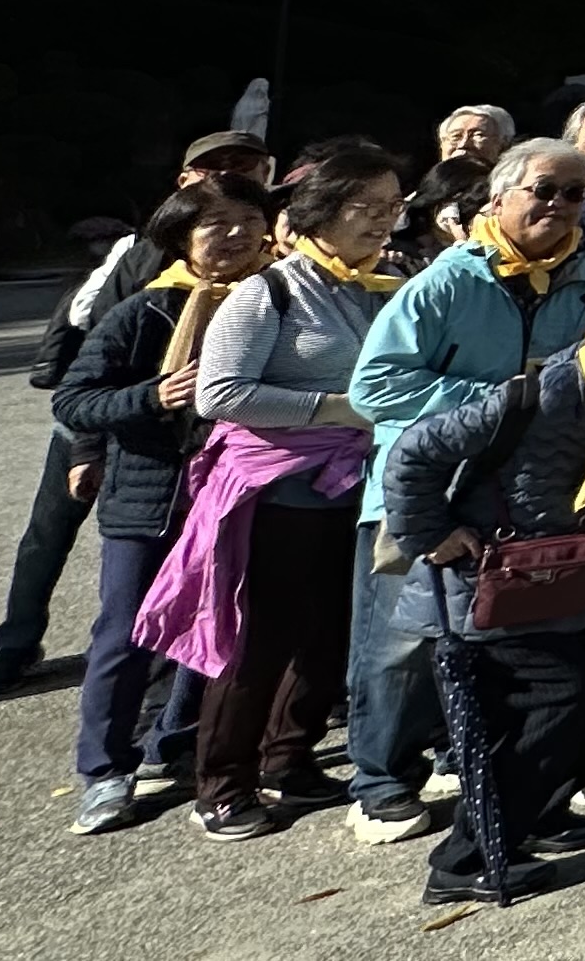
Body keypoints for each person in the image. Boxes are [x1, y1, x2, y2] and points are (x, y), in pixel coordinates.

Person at [387, 292, 585, 907]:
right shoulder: (541, 395)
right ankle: (467, 859)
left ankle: (539, 813)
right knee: (561, 695)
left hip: (578, 589)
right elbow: (415, 452)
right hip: (488, 593)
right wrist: (431, 535)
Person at [345, 138, 585, 845]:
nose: (558, 205)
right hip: (423, 491)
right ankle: (379, 780)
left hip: (527, 499)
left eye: (575, 193)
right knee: (398, 646)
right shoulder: (445, 283)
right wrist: (502, 400)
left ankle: (485, 781)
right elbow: (374, 386)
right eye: (543, 189)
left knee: (503, 646)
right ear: (498, 199)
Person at [178, 143, 405, 839]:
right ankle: (222, 784)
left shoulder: (381, 284)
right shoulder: (267, 291)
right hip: (276, 493)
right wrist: (336, 410)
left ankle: (290, 759)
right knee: (261, 639)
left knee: (331, 632)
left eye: (393, 206)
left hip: (354, 488)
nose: (384, 219)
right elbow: (219, 394)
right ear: (321, 212)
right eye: (368, 206)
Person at [53, 173, 275, 834]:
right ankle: (104, 771)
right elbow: (74, 398)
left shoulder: (279, 297)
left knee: (225, 628)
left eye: (249, 220)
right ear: (182, 238)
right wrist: (153, 396)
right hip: (151, 497)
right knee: (125, 634)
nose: (237, 235)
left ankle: (181, 746)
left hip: (240, 493)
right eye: (217, 224)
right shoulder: (147, 310)